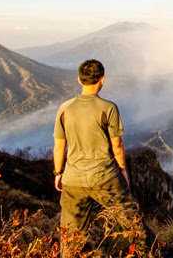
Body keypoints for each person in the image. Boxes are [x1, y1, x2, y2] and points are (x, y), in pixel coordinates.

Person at [53, 59, 141, 251]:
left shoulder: (64, 108)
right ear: (103, 79)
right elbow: (117, 145)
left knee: (70, 237)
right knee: (134, 224)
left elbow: (59, 147)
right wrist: (123, 171)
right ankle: (151, 254)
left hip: (73, 179)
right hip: (105, 177)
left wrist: (58, 173)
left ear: (79, 79)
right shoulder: (108, 108)